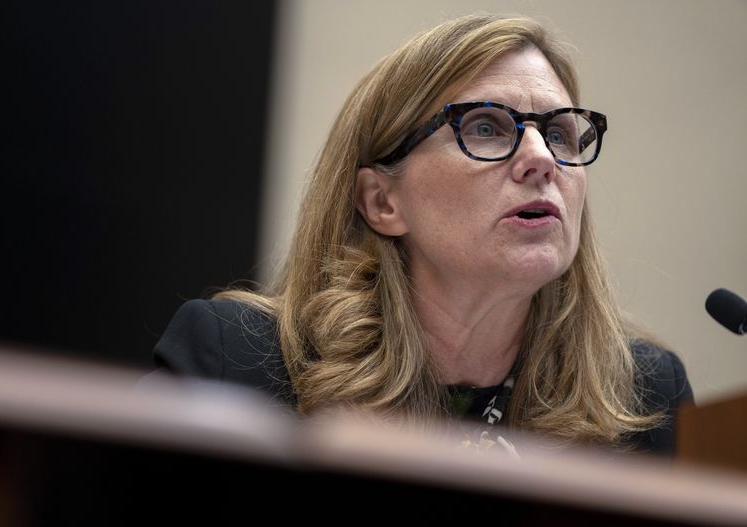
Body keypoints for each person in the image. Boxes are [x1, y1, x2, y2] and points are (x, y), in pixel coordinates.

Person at [151, 14, 693, 456]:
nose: (541, 160)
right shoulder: (237, 363)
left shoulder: (644, 397)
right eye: (485, 127)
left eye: (558, 134)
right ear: (382, 202)